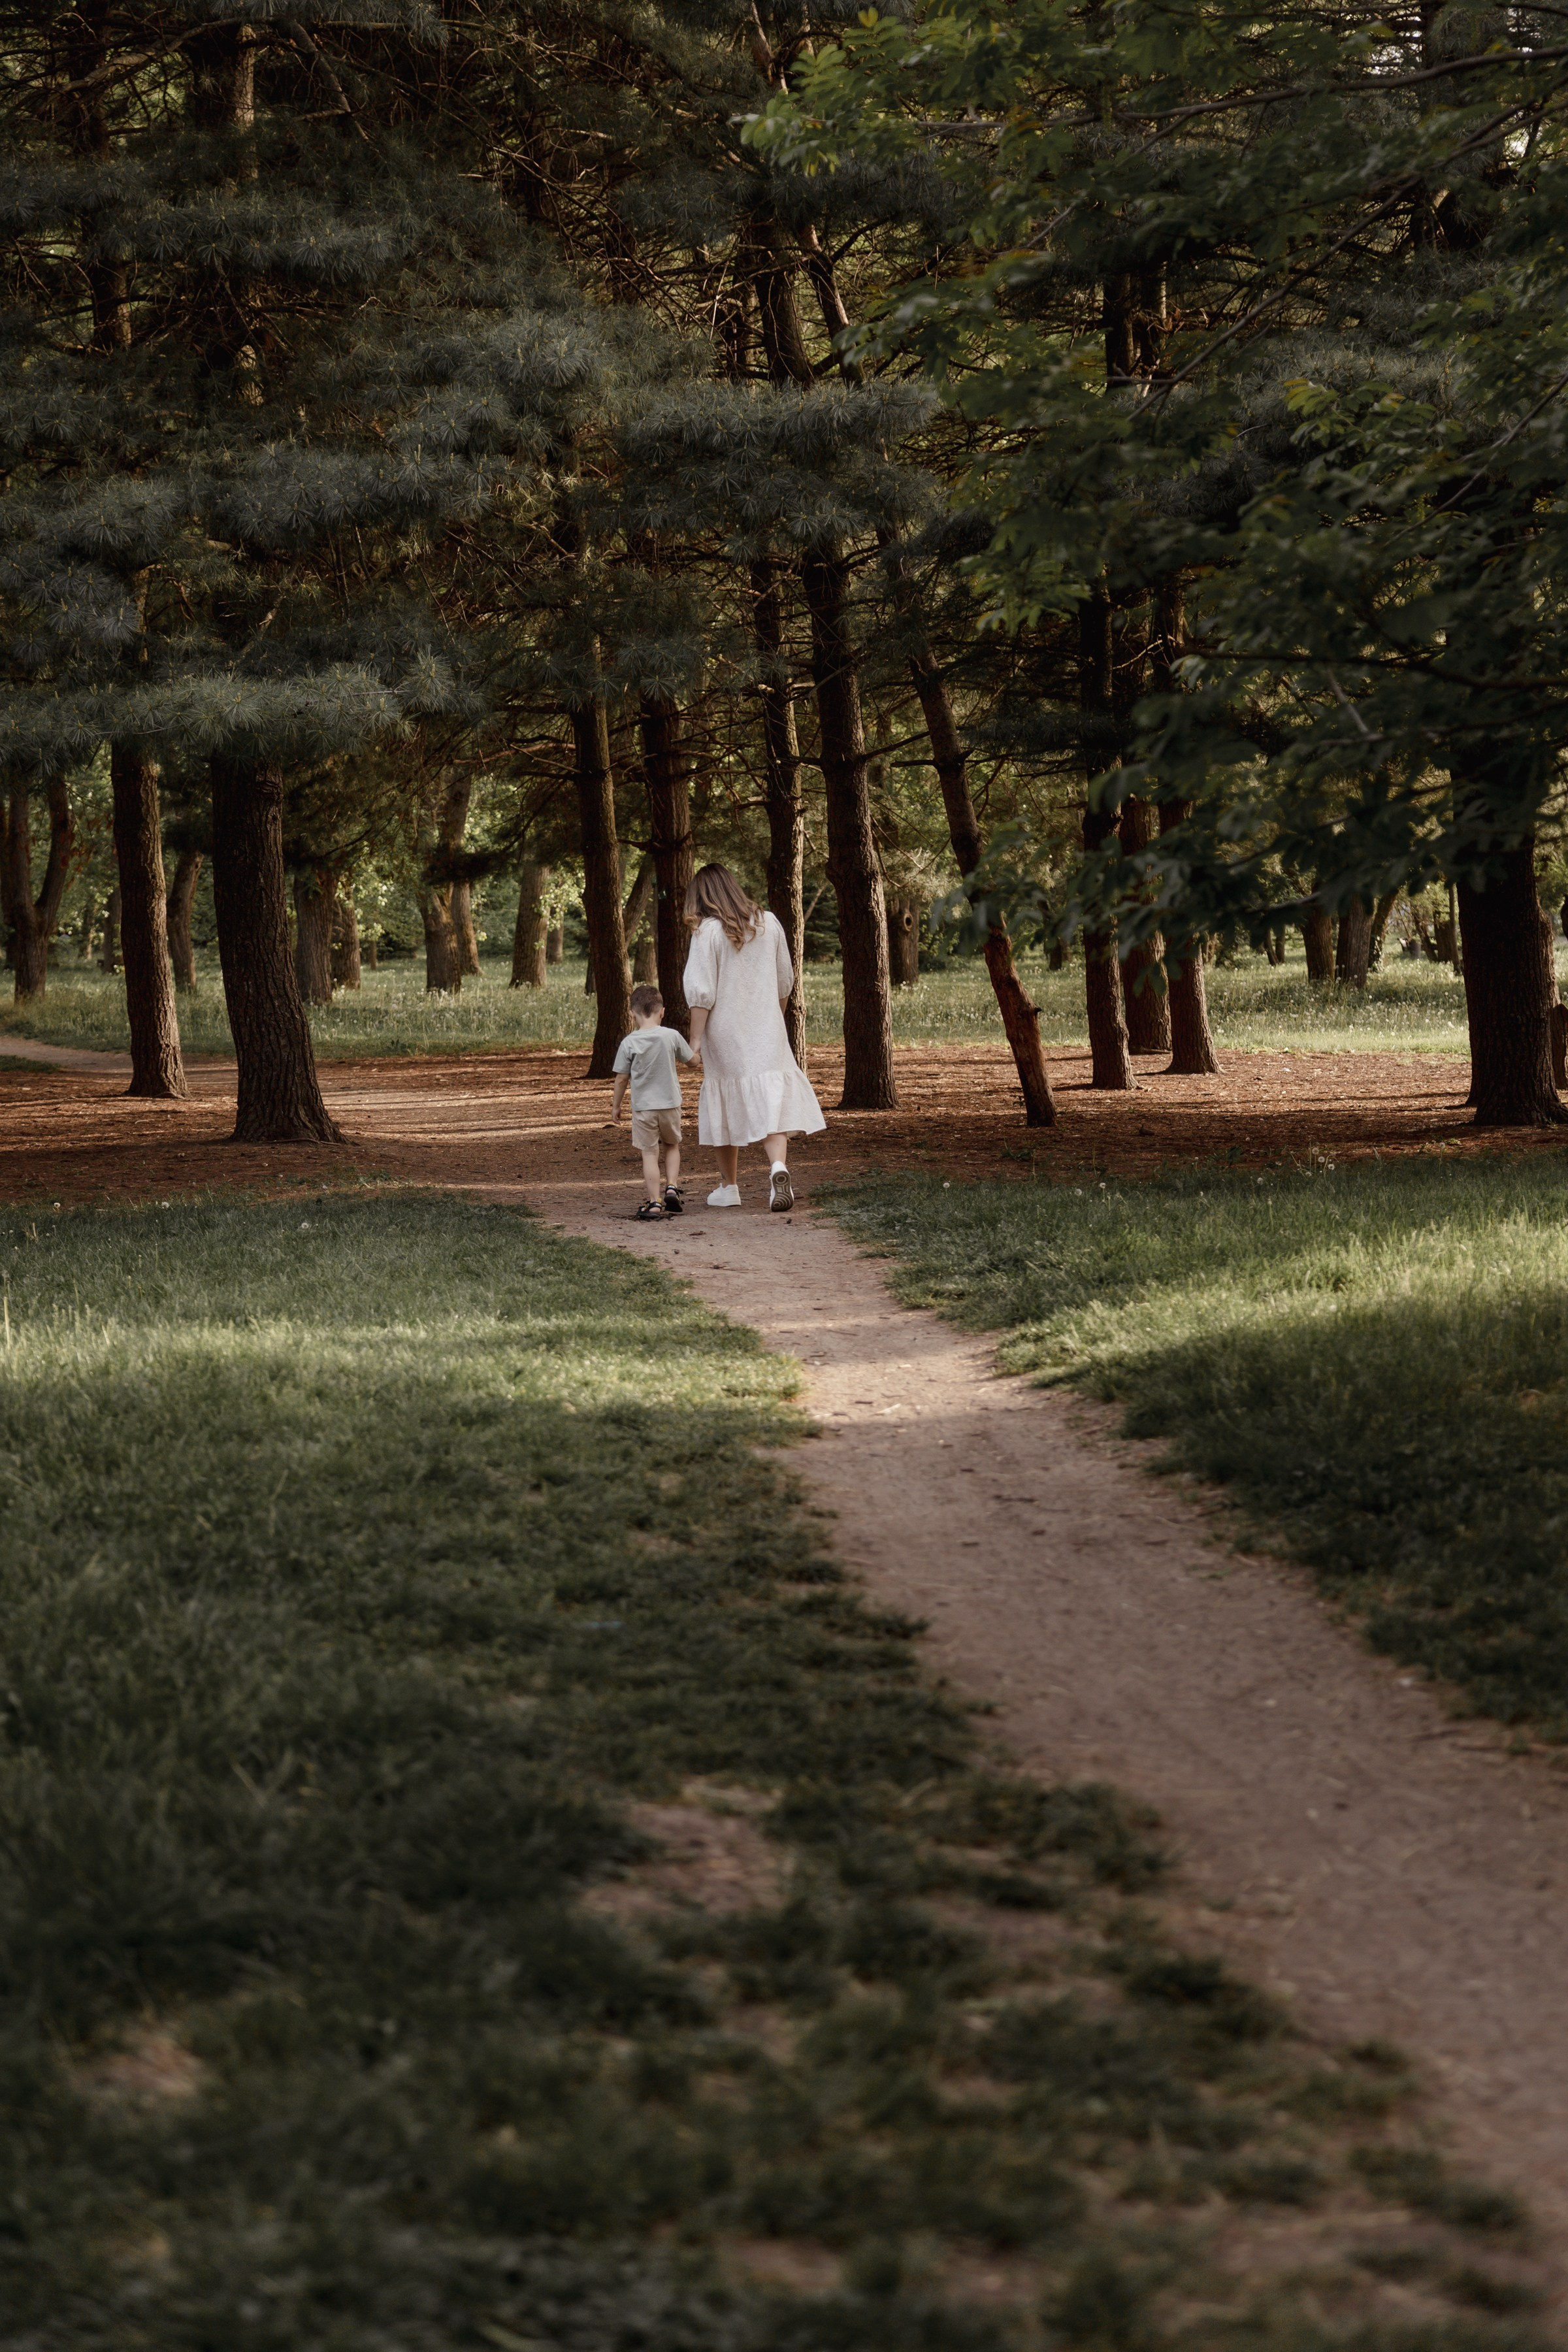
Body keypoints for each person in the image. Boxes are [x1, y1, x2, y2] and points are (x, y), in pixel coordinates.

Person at [682, 864, 824, 1211]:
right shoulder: (768, 922)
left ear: (702, 897)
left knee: (724, 1099)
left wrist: (695, 1041)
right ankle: (778, 1167)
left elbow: (702, 993)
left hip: (725, 1031)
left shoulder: (707, 932)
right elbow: (785, 981)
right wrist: (774, 1017)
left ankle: (729, 1187)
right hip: (767, 1027)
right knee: (771, 1103)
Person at [611, 983, 696, 1219]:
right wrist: (698, 1054)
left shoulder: (629, 1042)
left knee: (649, 1154)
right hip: (670, 1105)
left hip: (644, 1109)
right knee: (672, 1145)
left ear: (632, 1014)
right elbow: (691, 1061)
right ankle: (672, 1187)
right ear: (662, 1012)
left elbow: (621, 1079)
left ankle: (655, 1203)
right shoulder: (672, 1036)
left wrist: (616, 1106)